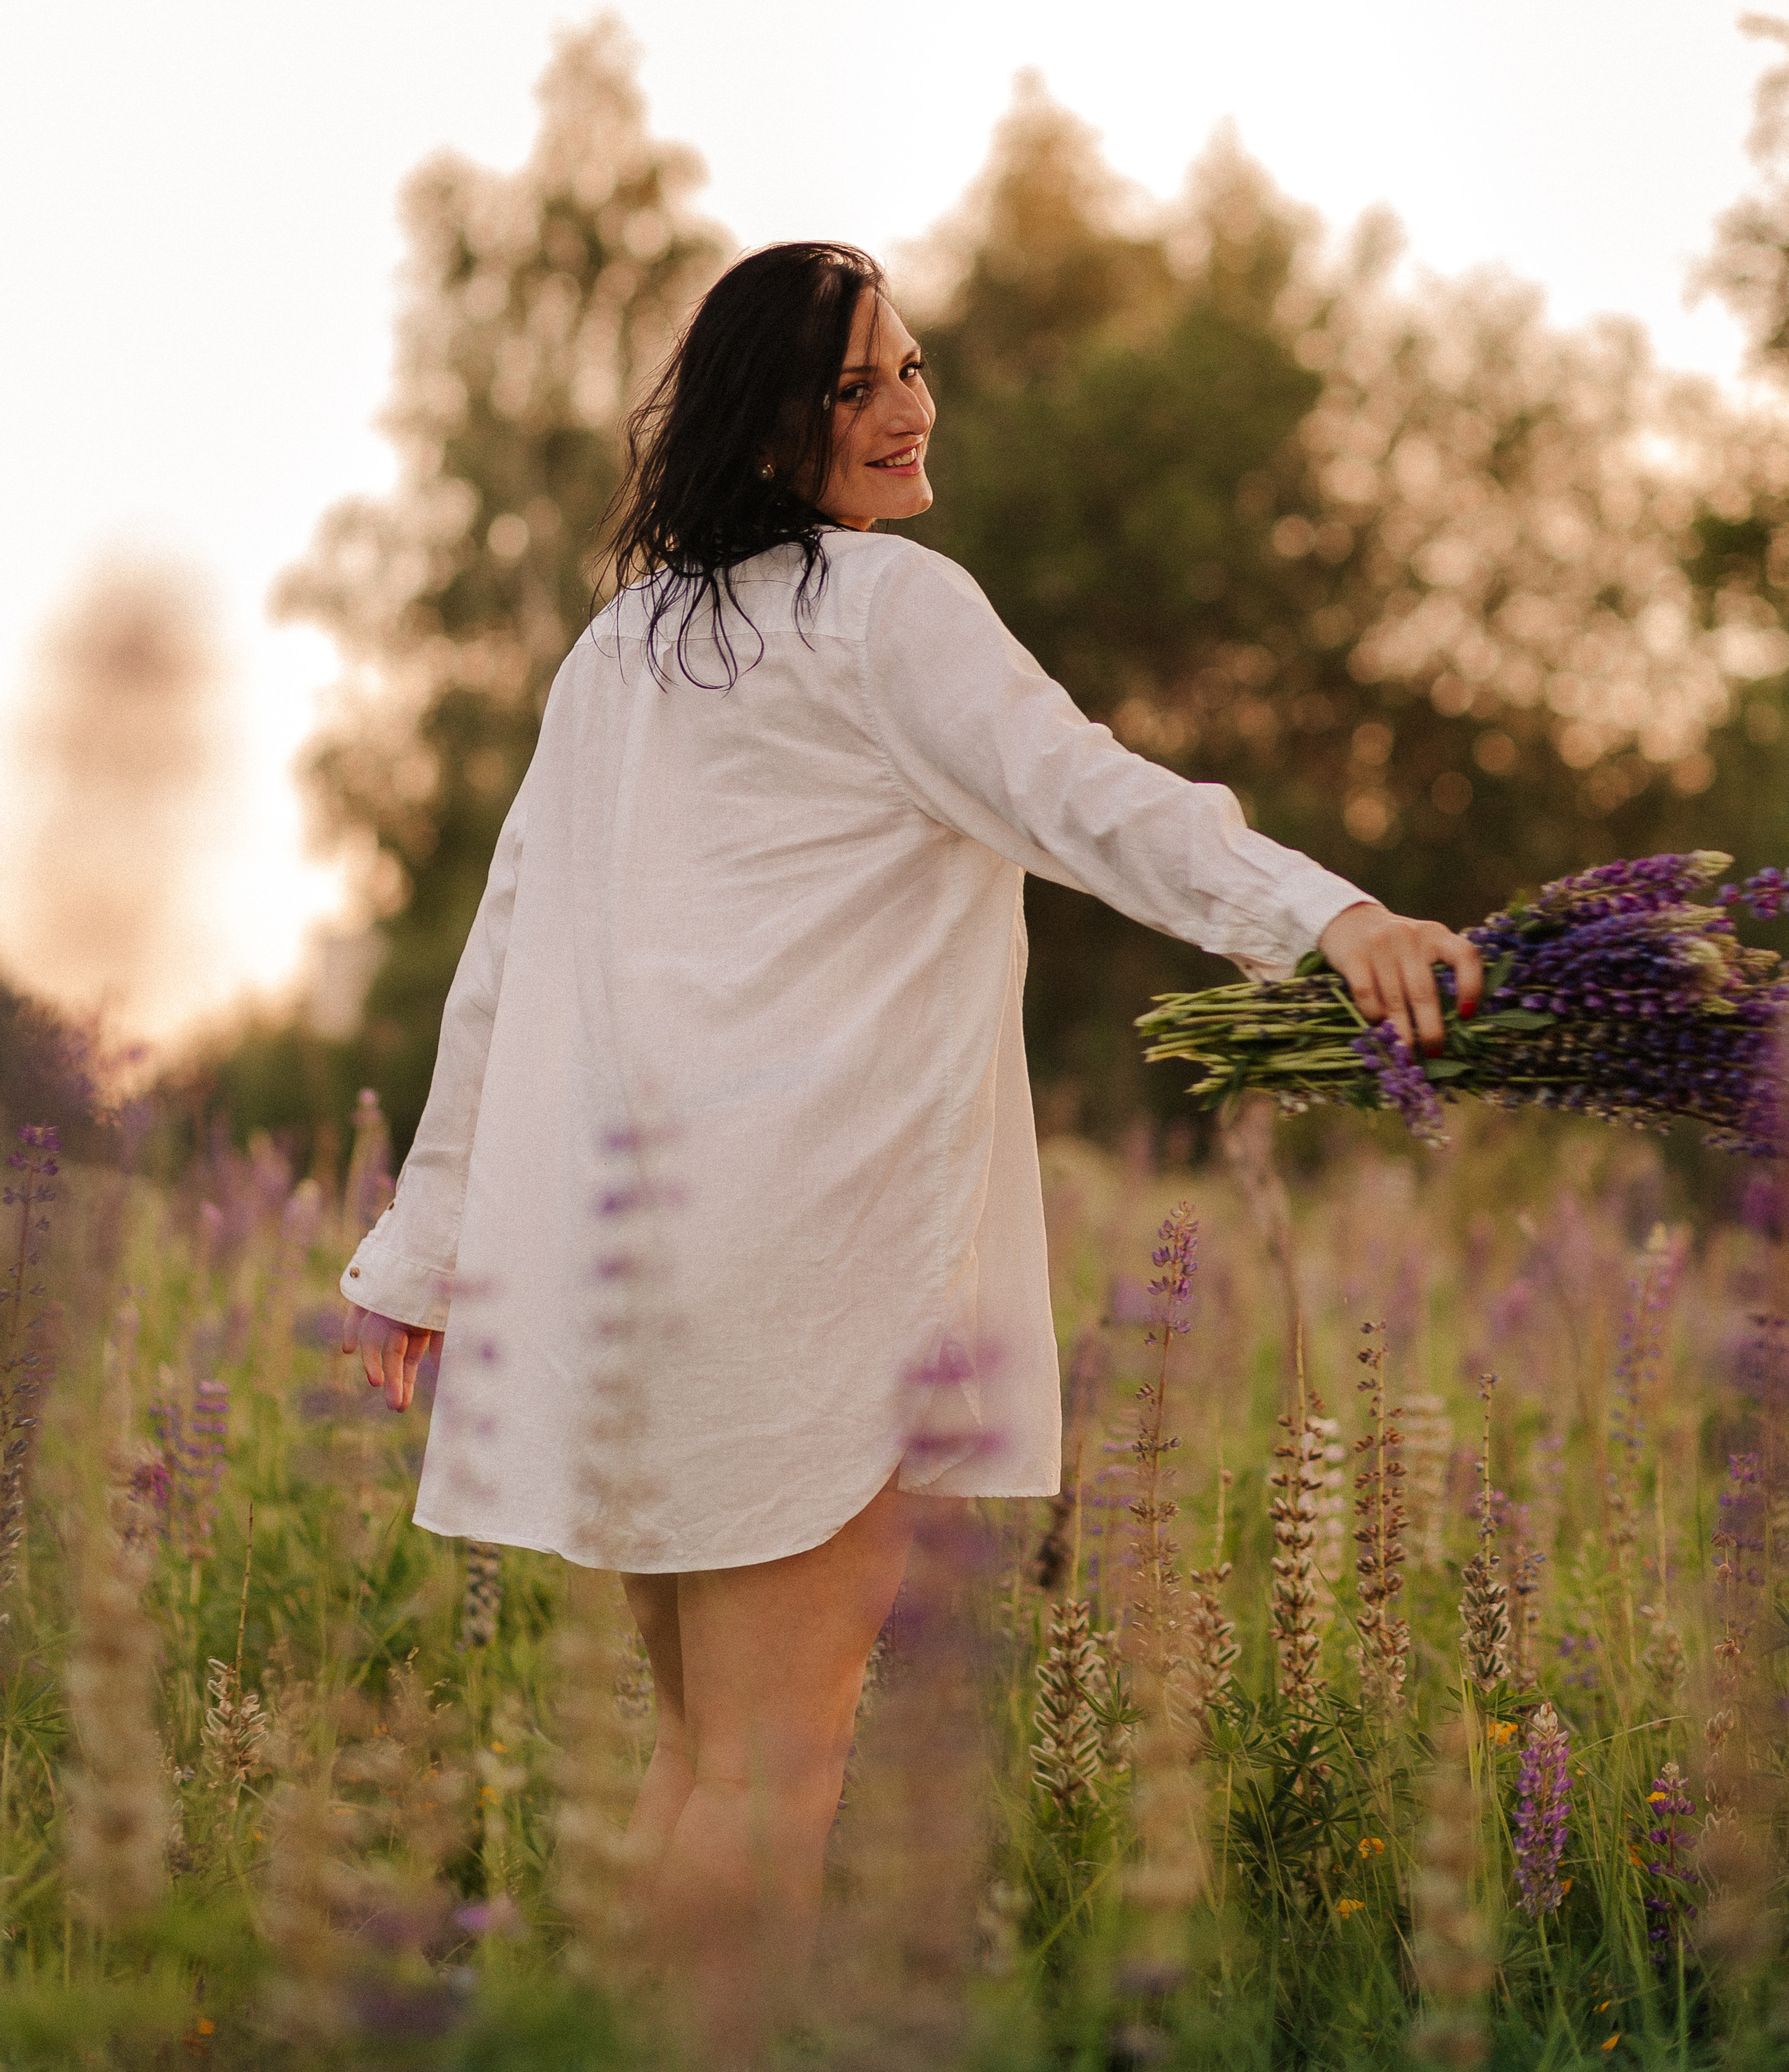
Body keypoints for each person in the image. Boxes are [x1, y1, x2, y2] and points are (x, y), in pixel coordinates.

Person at [340, 240, 1482, 2054]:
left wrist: (422, 1257)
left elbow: (503, 957)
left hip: (628, 1274)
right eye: (853, 386)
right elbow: (1094, 798)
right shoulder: (886, 611)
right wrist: (1330, 919)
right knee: (770, 1790)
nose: (906, 410)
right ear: (767, 425)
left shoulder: (615, 651)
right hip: (802, 1273)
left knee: (704, 1766)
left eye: (914, 368)